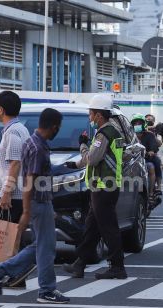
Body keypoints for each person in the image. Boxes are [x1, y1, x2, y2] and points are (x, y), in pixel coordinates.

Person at [0, 108, 70, 304]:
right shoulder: (38, 148)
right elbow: (28, 180)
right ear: (53, 127)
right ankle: (47, 290)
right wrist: (26, 211)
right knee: (46, 248)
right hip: (38, 202)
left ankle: (2, 269)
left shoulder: (32, 142)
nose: (57, 132)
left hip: (41, 202)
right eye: (58, 128)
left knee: (39, 245)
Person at [63, 94, 127, 280]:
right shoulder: (115, 132)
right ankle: (80, 264)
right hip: (106, 187)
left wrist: (82, 147)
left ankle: (117, 266)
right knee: (92, 227)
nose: (89, 117)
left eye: (91, 114)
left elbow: (92, 158)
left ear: (99, 115)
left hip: (103, 187)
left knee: (108, 227)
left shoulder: (103, 134)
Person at [0, 90, 34, 289]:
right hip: (17, 193)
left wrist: (6, 193)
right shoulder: (18, 129)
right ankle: (17, 276)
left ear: (2, 109)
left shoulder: (13, 132)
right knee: (13, 237)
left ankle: (7, 271)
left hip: (13, 194)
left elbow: (15, 163)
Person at [132, 114, 161, 198]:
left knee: (153, 165)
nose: (137, 125)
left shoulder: (150, 134)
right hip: (133, 159)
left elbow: (153, 148)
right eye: (135, 123)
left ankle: (151, 192)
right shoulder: (130, 135)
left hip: (146, 159)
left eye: (139, 123)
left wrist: (150, 152)